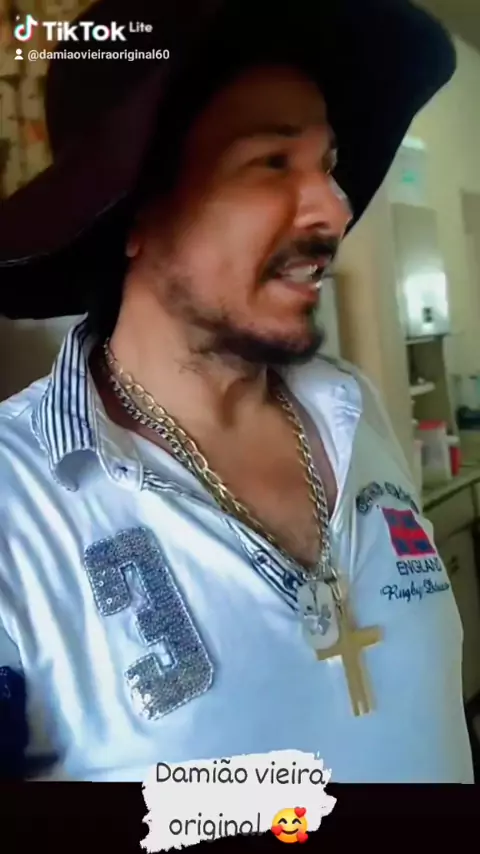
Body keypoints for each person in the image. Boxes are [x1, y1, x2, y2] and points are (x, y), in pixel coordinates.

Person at [0, 0, 473, 783]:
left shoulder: (353, 410)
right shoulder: (18, 502)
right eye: (272, 163)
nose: (335, 208)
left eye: (327, 164)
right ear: (133, 215)